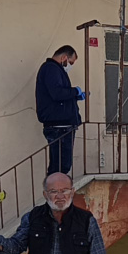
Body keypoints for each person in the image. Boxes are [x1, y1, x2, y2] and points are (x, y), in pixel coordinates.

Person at [35, 45, 85, 176]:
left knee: (60, 165)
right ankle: (55, 187)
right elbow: (57, 93)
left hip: (61, 124)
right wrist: (74, 91)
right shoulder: (51, 69)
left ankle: (56, 185)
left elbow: (58, 95)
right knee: (61, 166)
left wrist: (75, 96)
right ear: (64, 58)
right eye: (71, 62)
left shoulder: (54, 70)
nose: (70, 66)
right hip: (59, 126)